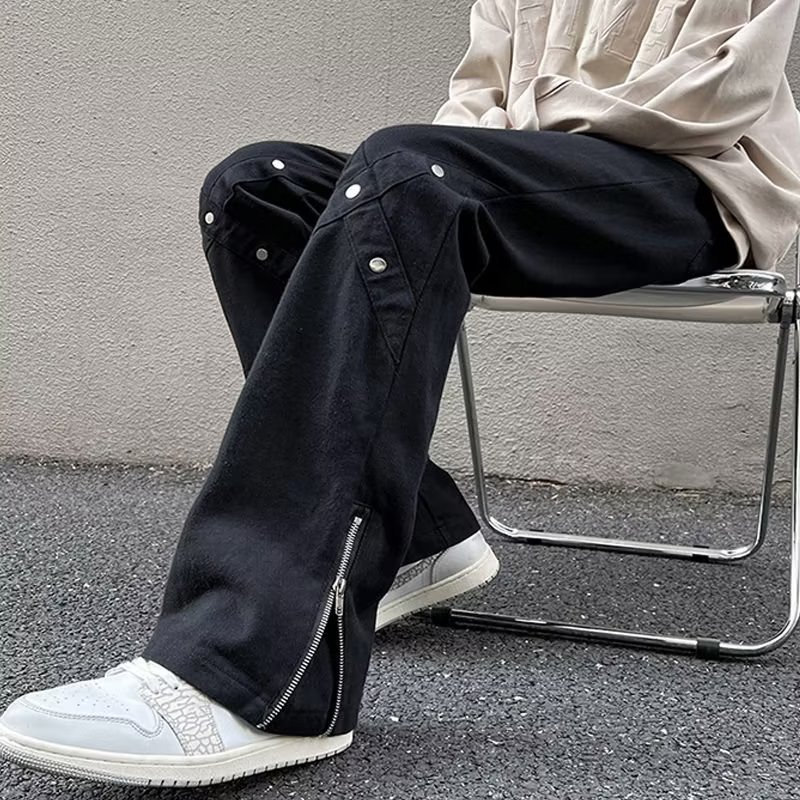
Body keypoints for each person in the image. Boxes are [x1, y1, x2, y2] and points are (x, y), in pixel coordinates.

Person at [2, 0, 800, 789]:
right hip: (526, 183)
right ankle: (421, 534)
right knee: (253, 185)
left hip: (688, 191)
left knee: (409, 172)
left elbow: (705, 104)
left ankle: (255, 676)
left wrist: (528, 124)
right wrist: (508, 140)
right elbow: (472, 100)